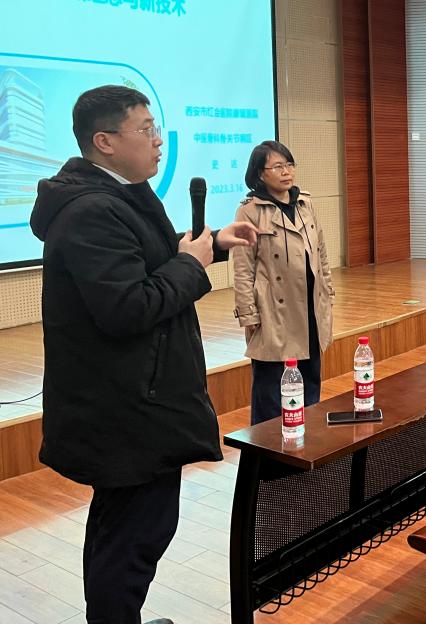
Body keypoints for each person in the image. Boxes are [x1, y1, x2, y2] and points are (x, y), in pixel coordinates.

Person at [29, 85, 257, 623]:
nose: (159, 141)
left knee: (122, 530)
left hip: (133, 401)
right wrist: (192, 265)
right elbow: (127, 307)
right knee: (134, 536)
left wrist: (211, 243)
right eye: (147, 129)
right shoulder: (91, 212)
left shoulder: (115, 197)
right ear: (104, 142)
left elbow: (144, 259)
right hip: (125, 409)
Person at [233, 141, 335, 424]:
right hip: (273, 311)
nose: (286, 171)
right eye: (278, 166)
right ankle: (266, 445)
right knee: (271, 390)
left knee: (310, 381)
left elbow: (321, 253)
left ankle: (308, 436)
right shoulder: (250, 211)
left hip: (310, 307)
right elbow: (243, 267)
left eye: (289, 164)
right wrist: (248, 314)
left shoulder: (305, 203)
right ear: (260, 173)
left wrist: (328, 293)